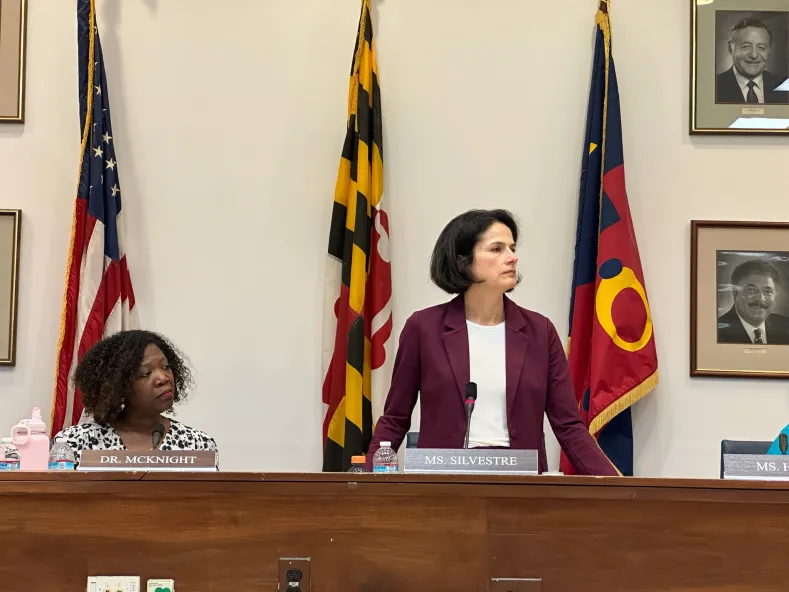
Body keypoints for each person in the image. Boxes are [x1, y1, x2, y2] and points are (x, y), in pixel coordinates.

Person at [367, 209, 618, 476]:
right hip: (443, 486)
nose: (512, 257)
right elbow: (395, 418)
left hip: (520, 487)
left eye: (512, 247)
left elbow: (568, 425)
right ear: (463, 261)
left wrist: (619, 487)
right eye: (497, 249)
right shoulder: (424, 328)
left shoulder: (539, 332)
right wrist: (367, 482)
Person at [54, 330, 218, 467]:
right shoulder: (76, 442)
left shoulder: (198, 444)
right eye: (145, 373)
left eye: (166, 367)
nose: (163, 378)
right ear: (119, 387)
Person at [716, 18, 789, 105]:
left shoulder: (784, 85)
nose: (754, 55)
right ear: (730, 48)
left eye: (761, 47)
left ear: (769, 50)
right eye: (746, 46)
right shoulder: (714, 86)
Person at [717, 259, 789, 345]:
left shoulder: (785, 326)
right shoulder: (717, 331)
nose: (760, 298)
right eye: (751, 290)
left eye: (767, 291)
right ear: (735, 293)